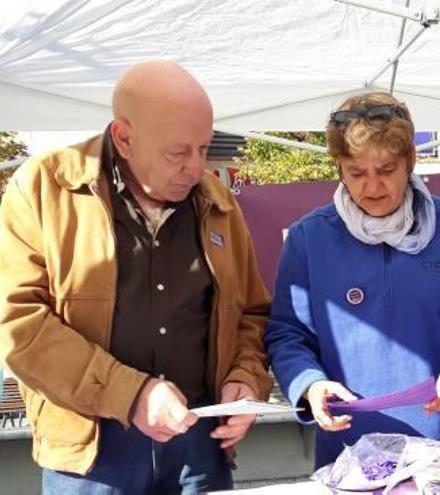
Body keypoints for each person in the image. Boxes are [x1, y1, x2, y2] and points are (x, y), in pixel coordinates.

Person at [0, 61, 272, 494]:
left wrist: (245, 378)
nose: (196, 166)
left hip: (199, 441)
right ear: (124, 137)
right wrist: (131, 394)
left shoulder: (219, 202)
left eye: (204, 147)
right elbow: (18, 326)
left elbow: (252, 315)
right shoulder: (41, 189)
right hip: (91, 452)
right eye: (178, 152)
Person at [264, 92, 440, 468]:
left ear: (410, 161)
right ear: (339, 168)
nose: (372, 187)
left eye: (385, 171)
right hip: (349, 455)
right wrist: (310, 384)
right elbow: (287, 335)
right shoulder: (308, 239)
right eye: (357, 173)